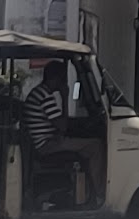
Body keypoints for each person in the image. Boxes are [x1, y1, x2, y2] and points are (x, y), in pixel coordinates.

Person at [22, 61, 103, 200]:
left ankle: (88, 189)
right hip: (48, 144)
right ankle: (100, 192)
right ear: (56, 79)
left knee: (86, 147)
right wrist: (65, 98)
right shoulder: (45, 96)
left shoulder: (38, 93)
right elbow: (63, 126)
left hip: (47, 140)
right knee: (96, 146)